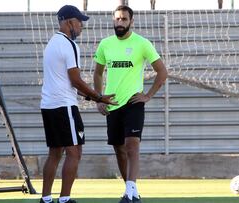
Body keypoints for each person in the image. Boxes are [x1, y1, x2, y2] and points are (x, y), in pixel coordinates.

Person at [40, 5, 117, 203]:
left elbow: (70, 82)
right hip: (64, 106)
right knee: (75, 152)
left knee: (55, 153)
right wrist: (99, 97)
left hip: (48, 105)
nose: (82, 26)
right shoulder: (69, 45)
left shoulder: (51, 44)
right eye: (79, 22)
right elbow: (75, 80)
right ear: (69, 23)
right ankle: (65, 199)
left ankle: (46, 199)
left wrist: (91, 96)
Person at [93, 5, 167, 203]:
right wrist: (99, 98)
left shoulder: (142, 43)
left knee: (132, 146)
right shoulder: (105, 44)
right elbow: (98, 73)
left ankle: (130, 191)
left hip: (134, 103)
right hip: (112, 104)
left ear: (131, 22)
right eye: (117, 19)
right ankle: (131, 191)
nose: (120, 22)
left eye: (124, 19)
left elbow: (162, 72)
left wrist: (148, 95)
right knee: (119, 149)